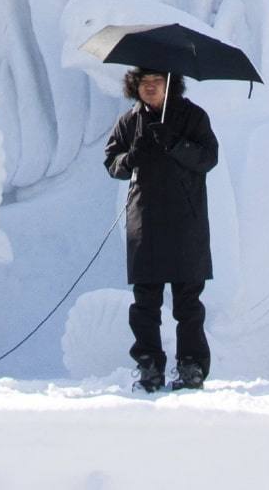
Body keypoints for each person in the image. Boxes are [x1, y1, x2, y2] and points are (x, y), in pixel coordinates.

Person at [103, 67, 219, 390]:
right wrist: (132, 157)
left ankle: (191, 366)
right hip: (145, 222)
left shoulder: (193, 117)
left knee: (188, 303)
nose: (151, 88)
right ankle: (149, 365)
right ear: (134, 86)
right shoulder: (130, 121)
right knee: (145, 303)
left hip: (186, 222)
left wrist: (176, 145)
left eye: (157, 82)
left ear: (171, 85)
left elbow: (209, 157)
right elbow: (112, 162)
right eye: (145, 83)